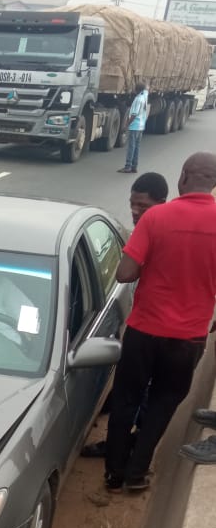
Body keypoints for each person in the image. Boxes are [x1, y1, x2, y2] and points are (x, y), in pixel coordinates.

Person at [104, 152, 216, 492]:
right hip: (189, 338)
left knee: (125, 400)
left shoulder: (157, 218)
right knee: (163, 403)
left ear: (183, 177)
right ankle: (137, 475)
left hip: (144, 331)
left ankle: (114, 474)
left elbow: (125, 273)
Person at [81, 171, 169, 458]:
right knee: (148, 392)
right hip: (173, 332)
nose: (134, 211)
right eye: (132, 203)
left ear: (162, 202)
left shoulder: (154, 230)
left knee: (136, 393)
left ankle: (121, 454)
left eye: (142, 206)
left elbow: (124, 274)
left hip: (153, 329)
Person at [117, 81, 149, 174]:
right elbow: (147, 88)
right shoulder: (144, 96)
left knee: (131, 146)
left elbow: (134, 114)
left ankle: (128, 166)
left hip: (135, 126)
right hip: (141, 126)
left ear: (137, 90)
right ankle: (134, 167)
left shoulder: (138, 99)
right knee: (137, 147)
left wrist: (126, 125)